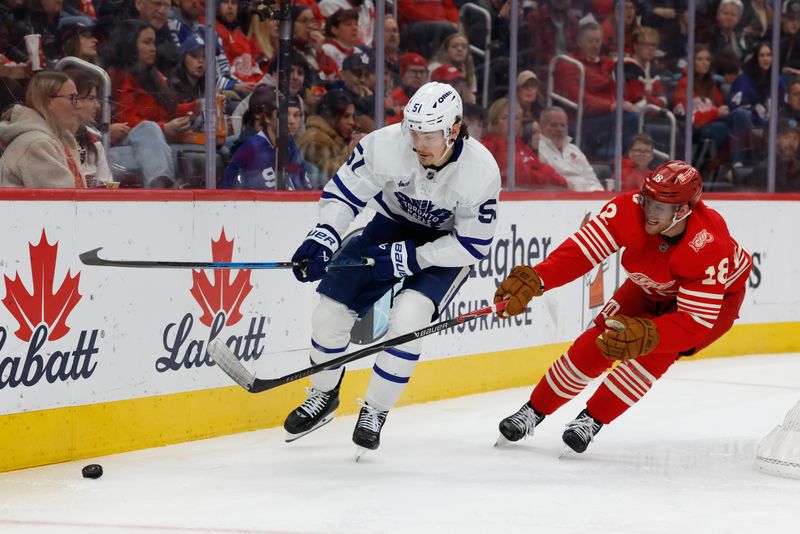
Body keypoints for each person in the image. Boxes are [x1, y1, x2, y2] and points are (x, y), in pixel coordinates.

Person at [284, 81, 500, 454]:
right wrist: (323, 236)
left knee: (410, 319)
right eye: (414, 132)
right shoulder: (384, 145)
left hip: (444, 247)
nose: (419, 144)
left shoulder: (480, 171)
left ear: (453, 129)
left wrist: (413, 257)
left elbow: (473, 244)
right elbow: (343, 194)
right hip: (390, 225)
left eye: (429, 136)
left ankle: (375, 410)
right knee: (328, 316)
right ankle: (323, 395)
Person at [493, 160, 752, 454]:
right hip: (652, 285)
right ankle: (533, 411)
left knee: (651, 355)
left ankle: (591, 420)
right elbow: (581, 251)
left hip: (713, 305)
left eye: (659, 207)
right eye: (646, 200)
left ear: (682, 210)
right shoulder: (630, 209)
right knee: (595, 343)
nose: (647, 211)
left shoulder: (706, 244)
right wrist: (538, 279)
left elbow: (693, 323)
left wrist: (650, 333)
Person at [0, 70, 84, 188]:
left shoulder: (58, 140)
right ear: (49, 101)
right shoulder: (37, 144)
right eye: (73, 98)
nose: (80, 105)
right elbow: (62, 202)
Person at [219, 85, 309, 190]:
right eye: (284, 114)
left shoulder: (289, 144)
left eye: (297, 115)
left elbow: (305, 188)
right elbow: (268, 200)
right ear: (267, 117)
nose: (291, 121)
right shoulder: (254, 148)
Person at [481, 97, 567, 190]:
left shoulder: (519, 145)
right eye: (505, 118)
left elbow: (539, 166)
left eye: (516, 118)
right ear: (494, 122)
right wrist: (557, 182)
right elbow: (519, 175)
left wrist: (561, 181)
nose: (512, 122)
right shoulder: (490, 146)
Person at [296, 89, 357, 187]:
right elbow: (330, 176)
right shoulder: (313, 139)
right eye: (346, 116)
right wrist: (352, 149)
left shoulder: (333, 138)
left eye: (353, 117)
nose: (352, 122)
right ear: (330, 116)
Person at [537, 106, 604, 191]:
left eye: (563, 125)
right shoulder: (538, 150)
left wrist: (598, 194)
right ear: (541, 127)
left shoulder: (574, 149)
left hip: (588, 198)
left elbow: (592, 180)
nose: (559, 129)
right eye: (554, 125)